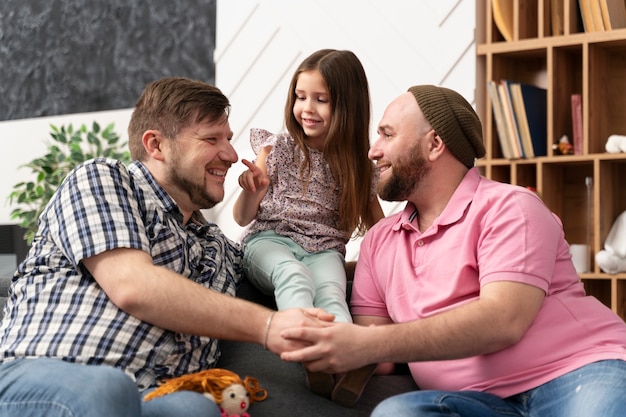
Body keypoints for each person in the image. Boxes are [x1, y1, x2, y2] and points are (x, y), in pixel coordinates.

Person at [280, 85, 626, 417]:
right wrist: (321, 335)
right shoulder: (379, 243)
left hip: (576, 373)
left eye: (387, 134)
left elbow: (503, 321)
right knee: (398, 413)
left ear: (434, 144)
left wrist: (371, 343)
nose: (373, 150)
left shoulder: (510, 207)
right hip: (477, 403)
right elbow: (379, 353)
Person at [0, 77, 332, 417]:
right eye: (211, 139)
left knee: (193, 408)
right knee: (107, 388)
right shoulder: (104, 180)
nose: (231, 155)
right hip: (44, 378)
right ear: (156, 145)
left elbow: (293, 255)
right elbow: (133, 286)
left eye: (229, 140)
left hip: (150, 397)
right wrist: (268, 326)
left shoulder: (219, 248)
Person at [232, 49, 384, 405]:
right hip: (270, 240)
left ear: (348, 107)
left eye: (321, 100)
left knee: (332, 291)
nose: (307, 109)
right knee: (293, 275)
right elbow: (242, 218)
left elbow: (381, 230)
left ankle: (351, 359)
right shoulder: (279, 148)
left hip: (325, 249)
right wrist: (252, 192)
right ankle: (306, 347)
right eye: (301, 97)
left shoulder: (357, 167)